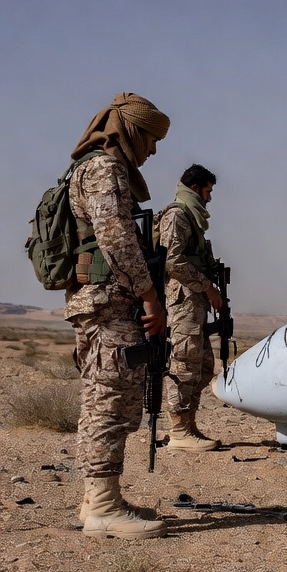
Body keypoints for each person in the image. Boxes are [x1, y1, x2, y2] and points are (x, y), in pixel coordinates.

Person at [66, 93, 170, 539]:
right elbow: (117, 238)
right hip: (110, 302)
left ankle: (98, 499)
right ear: (130, 131)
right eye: (150, 138)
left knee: (106, 401)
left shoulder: (92, 167)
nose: (153, 150)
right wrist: (149, 296)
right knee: (109, 403)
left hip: (104, 301)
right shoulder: (105, 168)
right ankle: (103, 509)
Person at [156, 164, 223, 450]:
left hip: (194, 302)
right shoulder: (177, 215)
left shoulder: (192, 218)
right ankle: (179, 431)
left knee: (203, 366)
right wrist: (207, 286)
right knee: (183, 365)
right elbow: (173, 261)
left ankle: (188, 425)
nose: (210, 197)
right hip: (182, 300)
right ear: (195, 188)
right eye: (208, 191)